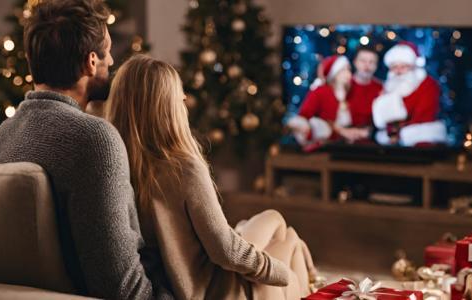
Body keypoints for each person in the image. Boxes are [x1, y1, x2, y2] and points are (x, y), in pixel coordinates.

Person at [0, 1, 171, 299]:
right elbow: (123, 288)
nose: (112, 62)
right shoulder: (95, 140)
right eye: (107, 52)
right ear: (91, 62)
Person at [105, 55, 319, 300]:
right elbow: (226, 252)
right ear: (168, 106)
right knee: (288, 239)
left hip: (180, 283)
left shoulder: (116, 166)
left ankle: (302, 269)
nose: (184, 101)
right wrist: (283, 273)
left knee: (276, 220)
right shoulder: (183, 168)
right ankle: (308, 279)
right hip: (213, 290)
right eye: (180, 96)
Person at [372, 42, 447, 146]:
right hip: (393, 140)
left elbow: (424, 116)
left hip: (421, 138)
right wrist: (392, 133)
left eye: (403, 67)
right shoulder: (388, 87)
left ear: (413, 67)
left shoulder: (427, 84)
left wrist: (399, 135)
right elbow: (387, 119)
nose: (398, 71)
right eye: (394, 67)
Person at [287, 55, 369, 147]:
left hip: (352, 138)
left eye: (348, 69)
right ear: (334, 73)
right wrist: (340, 131)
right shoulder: (320, 91)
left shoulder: (353, 91)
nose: (347, 73)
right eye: (343, 70)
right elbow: (305, 114)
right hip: (328, 135)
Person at [347, 45, 383, 127]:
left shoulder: (381, 88)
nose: (367, 66)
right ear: (355, 62)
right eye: (363, 61)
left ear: (376, 66)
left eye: (372, 62)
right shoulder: (344, 85)